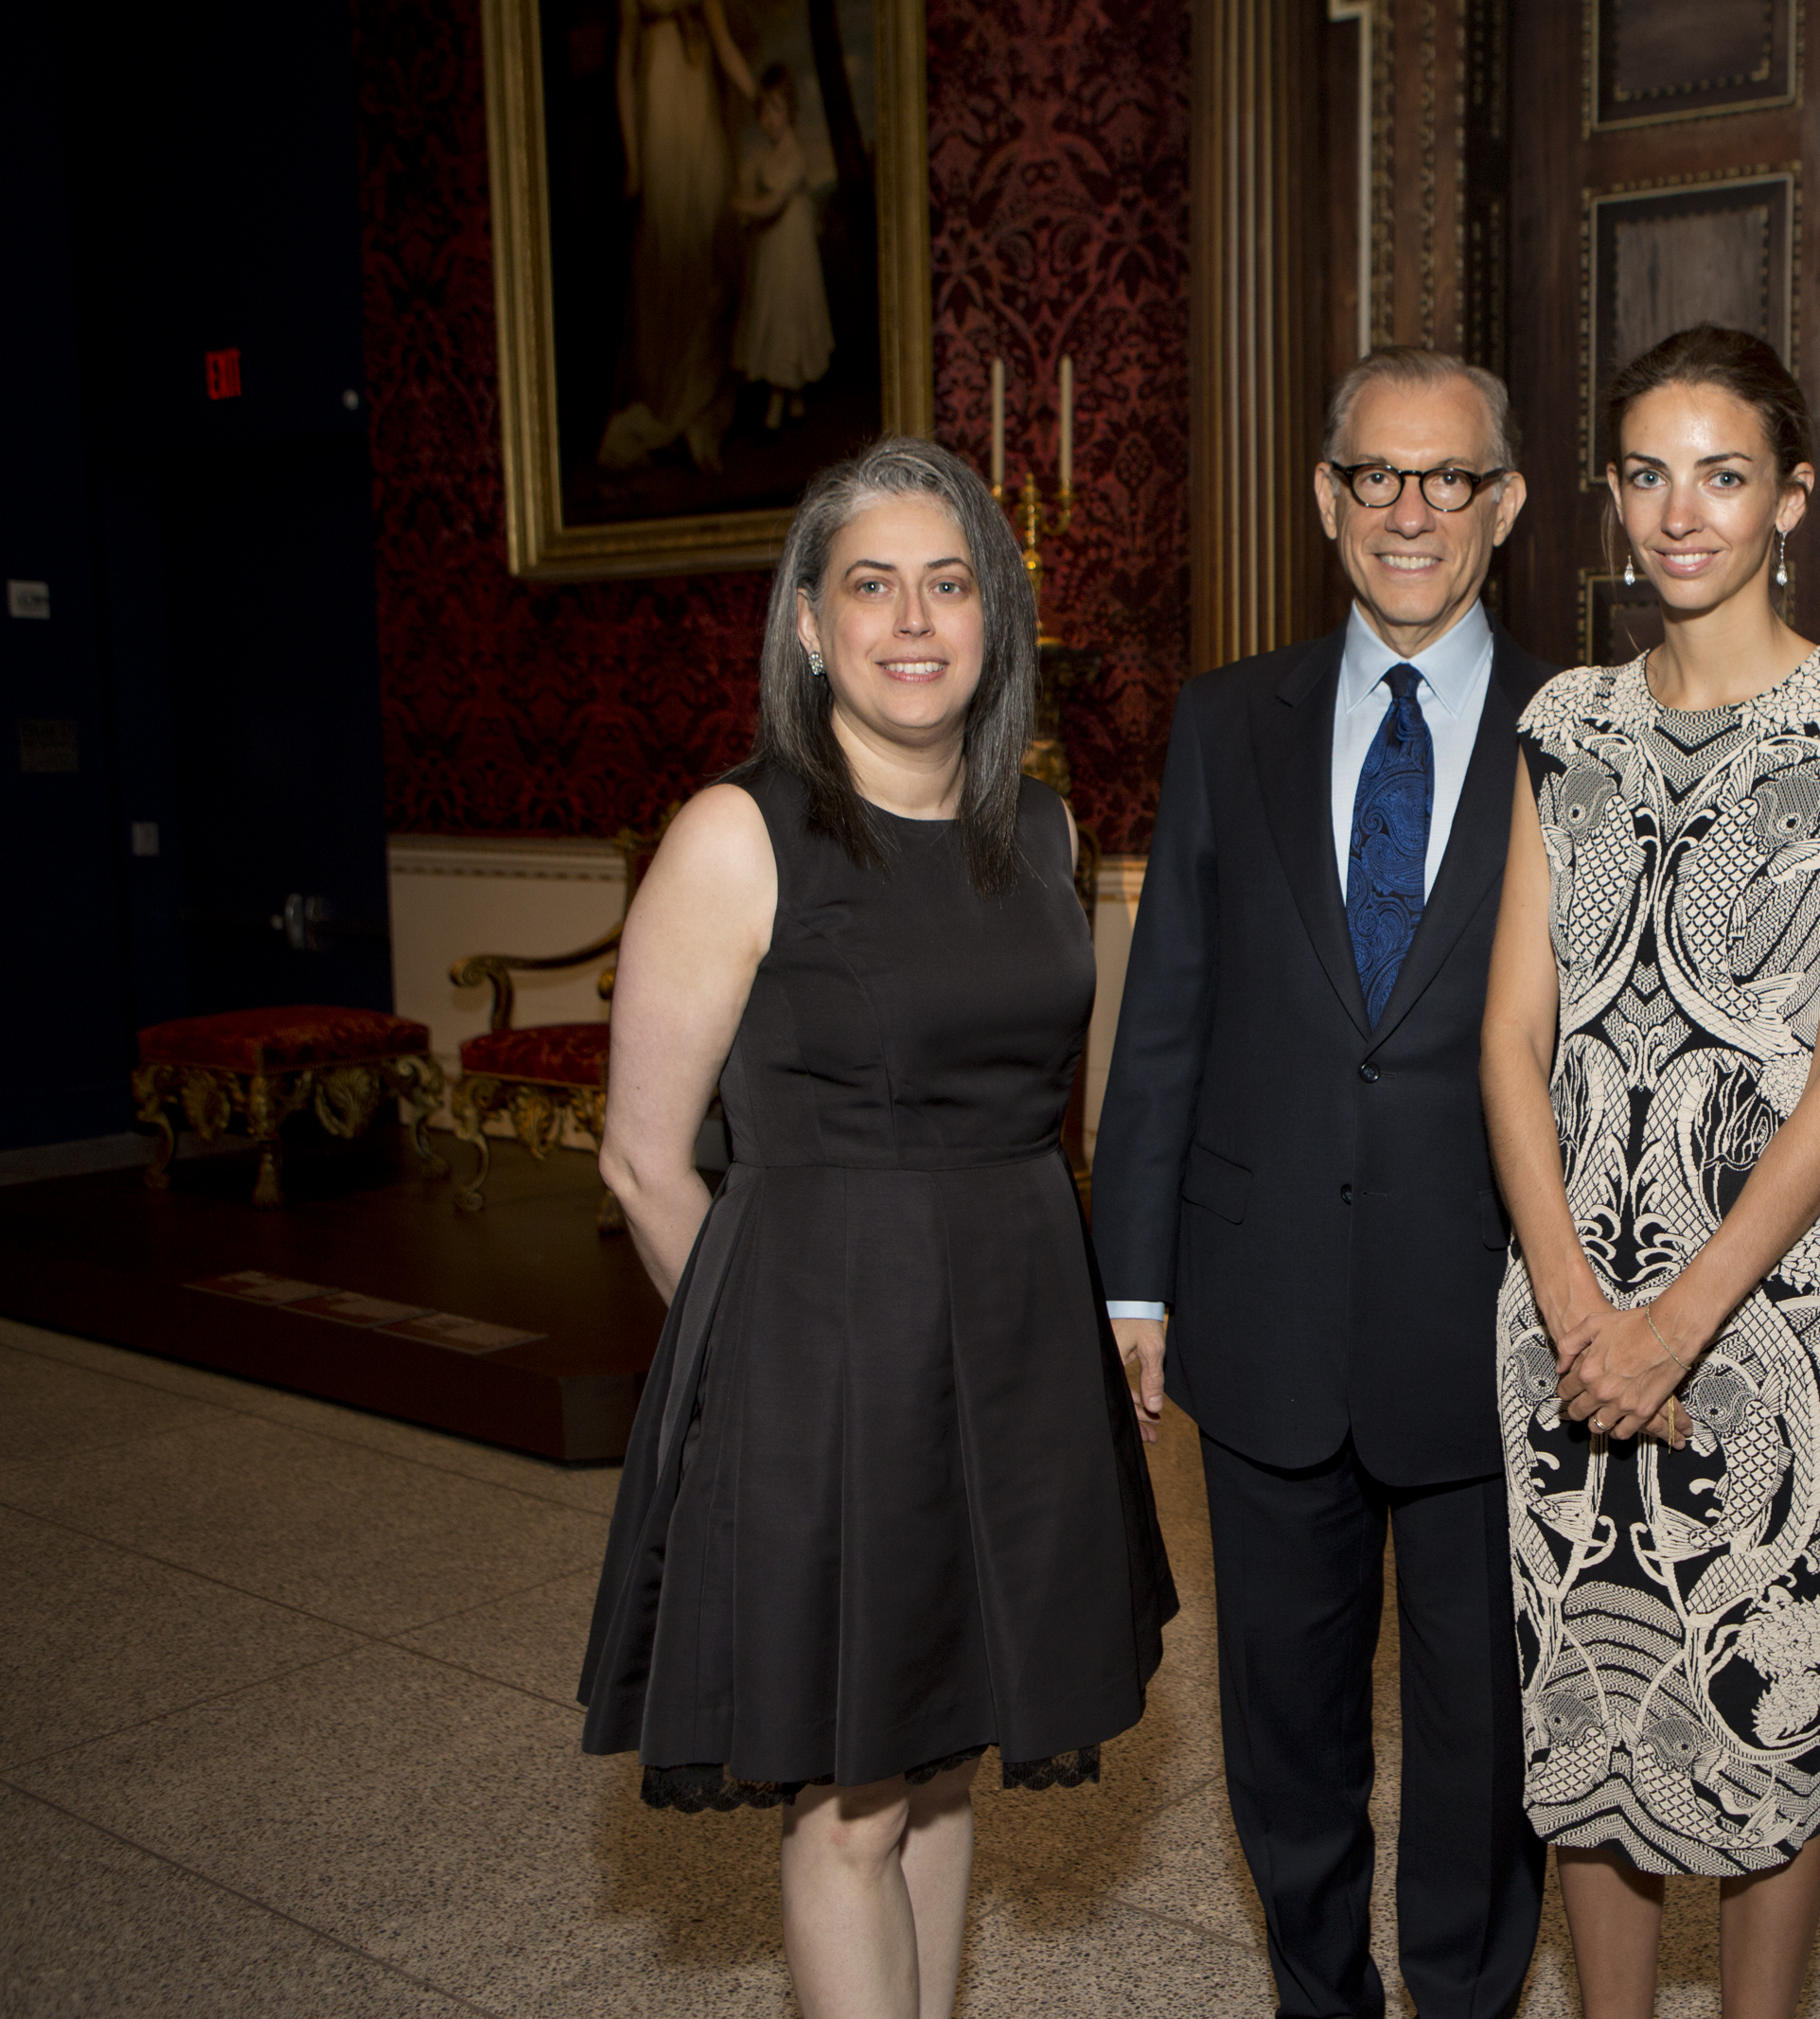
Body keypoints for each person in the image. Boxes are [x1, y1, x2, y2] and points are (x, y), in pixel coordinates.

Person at [577, 437, 1178, 2019]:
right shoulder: (739, 833)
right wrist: (759, 1371)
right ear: (808, 624)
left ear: (996, 618)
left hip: (1016, 1338)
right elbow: (644, 1161)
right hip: (824, 1361)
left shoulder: (1045, 833)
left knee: (946, 1752)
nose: (914, 620)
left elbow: (1063, 1113)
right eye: (871, 585)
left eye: (949, 581)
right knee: (847, 1787)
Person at [1481, 324, 1820, 2019]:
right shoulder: (1564, 720)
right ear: (1611, 497)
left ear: (1792, 500)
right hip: (1562, 1302)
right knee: (1589, 1711)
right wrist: (1569, 1299)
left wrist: (1674, 1320)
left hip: (1765, 1314)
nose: (1683, 512)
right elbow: (1509, 1038)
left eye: (1725, 474)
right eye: (1650, 473)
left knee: (1765, 1704)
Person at [1093, 348, 1550, 2019]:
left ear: (1505, 504)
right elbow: (1170, 1016)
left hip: (1498, 1317)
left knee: (1484, 1729)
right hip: (1263, 1299)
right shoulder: (1231, 719)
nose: (1410, 511)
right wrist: (1130, 1277)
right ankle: (1318, 1993)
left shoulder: (1584, 728)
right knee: (1282, 1718)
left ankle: (1467, 1993)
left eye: (1448, 479)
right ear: (1325, 498)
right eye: (1377, 476)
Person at [600, 0, 752, 473]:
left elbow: (724, 44)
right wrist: (632, 158)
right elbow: (624, 67)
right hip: (659, 118)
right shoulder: (639, 14)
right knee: (669, 260)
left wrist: (761, 97)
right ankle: (673, 410)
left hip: (700, 120)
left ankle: (701, 415)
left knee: (716, 258)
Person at [732, 62, 833, 433]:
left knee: (788, 316)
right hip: (772, 250)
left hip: (793, 251)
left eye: (776, 109)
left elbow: (770, 205)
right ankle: (794, 400)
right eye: (763, 111)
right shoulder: (767, 155)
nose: (769, 119)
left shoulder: (794, 155)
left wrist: (739, 206)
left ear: (790, 109)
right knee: (774, 313)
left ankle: (776, 408)